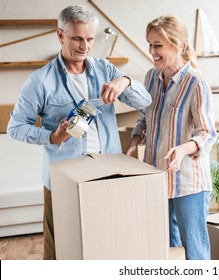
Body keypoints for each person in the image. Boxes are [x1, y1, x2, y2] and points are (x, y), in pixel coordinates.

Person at [7, 5, 152, 260]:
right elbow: (15, 128)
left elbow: (144, 101)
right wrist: (52, 137)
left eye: (89, 39)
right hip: (65, 178)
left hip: (108, 173)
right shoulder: (40, 81)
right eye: (77, 38)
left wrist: (125, 81)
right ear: (60, 35)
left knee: (107, 244)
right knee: (60, 252)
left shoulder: (105, 70)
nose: (84, 46)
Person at [126, 15, 216, 260]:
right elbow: (145, 118)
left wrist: (183, 149)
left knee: (194, 253)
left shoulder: (196, 82)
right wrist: (135, 140)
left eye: (158, 46)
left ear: (178, 46)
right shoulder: (151, 78)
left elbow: (207, 133)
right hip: (156, 178)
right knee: (165, 250)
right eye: (150, 44)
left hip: (188, 184)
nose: (151, 51)